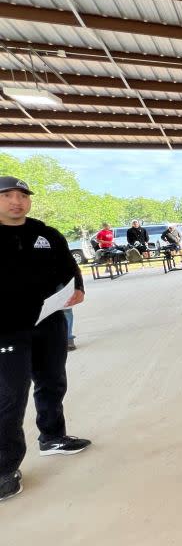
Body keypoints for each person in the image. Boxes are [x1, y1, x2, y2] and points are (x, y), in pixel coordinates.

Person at [0, 176, 89, 503]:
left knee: (52, 380)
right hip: (7, 329)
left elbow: (69, 267)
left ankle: (52, 436)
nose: (16, 201)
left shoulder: (46, 234)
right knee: (11, 394)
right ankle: (4, 468)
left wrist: (78, 288)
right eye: (7, 195)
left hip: (48, 320)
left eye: (22, 195)